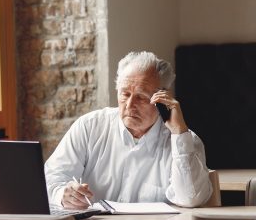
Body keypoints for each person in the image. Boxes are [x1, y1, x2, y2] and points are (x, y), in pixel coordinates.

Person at [45, 51, 212, 209]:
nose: (130, 105)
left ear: (162, 99)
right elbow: (51, 177)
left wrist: (179, 132)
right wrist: (62, 195)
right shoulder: (89, 127)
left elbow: (191, 199)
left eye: (141, 97)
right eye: (125, 94)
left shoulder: (184, 141)